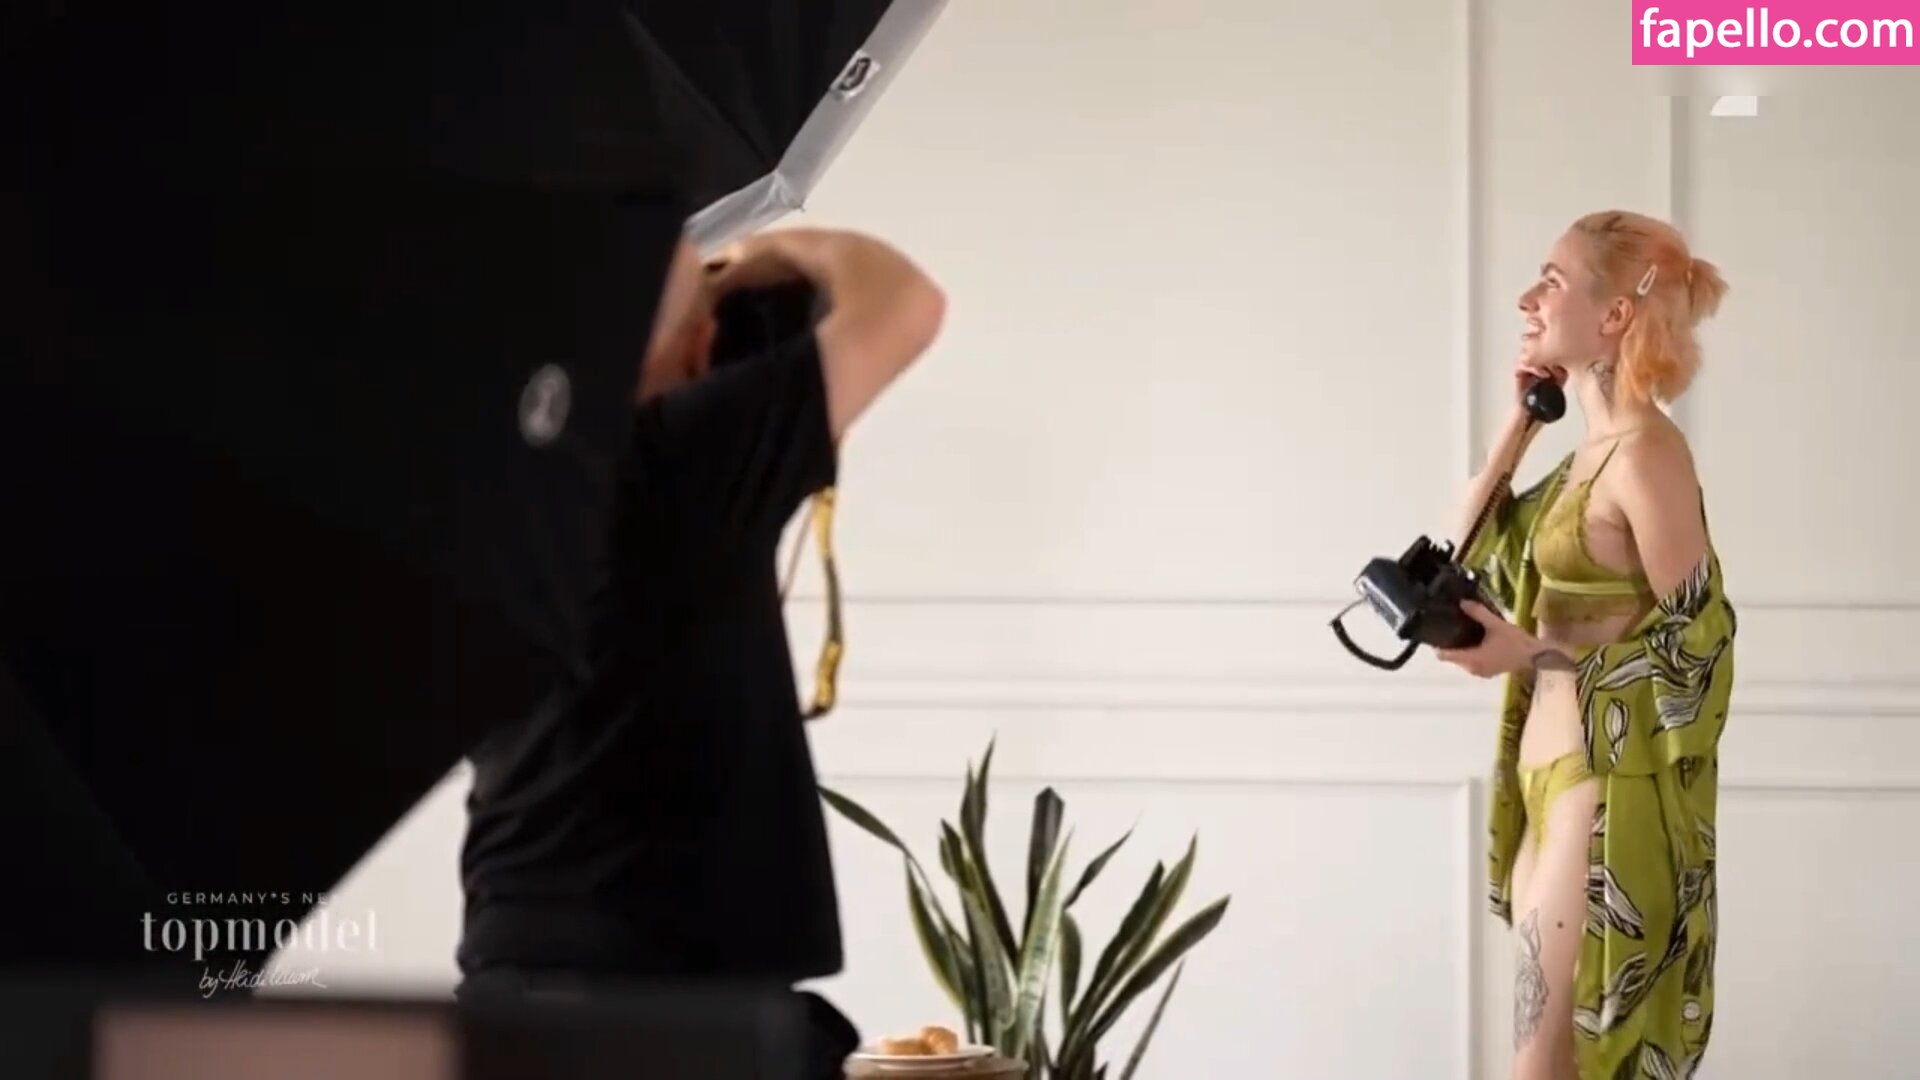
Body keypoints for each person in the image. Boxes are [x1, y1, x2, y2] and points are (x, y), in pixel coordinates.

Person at [456, 224, 946, 1077]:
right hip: (672, 1017)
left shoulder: (504, 491)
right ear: (699, 345)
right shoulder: (673, 462)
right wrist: (788, 253)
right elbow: (905, 303)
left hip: (516, 981)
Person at [1434, 210, 1735, 1079]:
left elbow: (1701, 649)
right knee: (1549, 1061)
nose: (1528, 299)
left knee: (1547, 1065)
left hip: (1603, 796)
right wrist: (1521, 421)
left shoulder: (1647, 457)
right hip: (1547, 781)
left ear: (1615, 315)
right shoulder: (1586, 455)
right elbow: (1463, 543)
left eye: (1553, 281)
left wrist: (1531, 656)